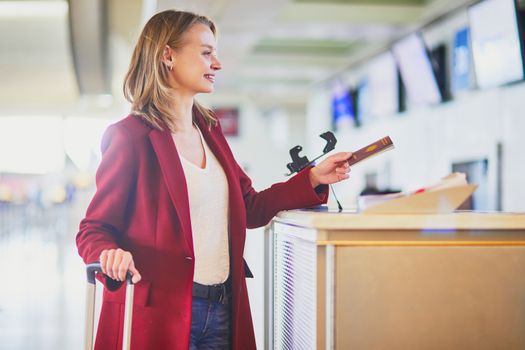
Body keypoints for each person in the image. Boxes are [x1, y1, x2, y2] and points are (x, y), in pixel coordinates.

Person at [76, 9, 352, 350]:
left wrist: (312, 178)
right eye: (207, 52)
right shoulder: (129, 137)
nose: (217, 64)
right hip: (159, 313)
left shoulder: (210, 131)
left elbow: (249, 206)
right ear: (167, 55)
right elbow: (93, 229)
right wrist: (109, 254)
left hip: (222, 308)